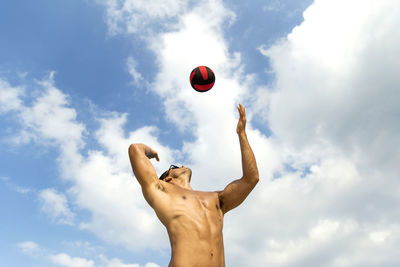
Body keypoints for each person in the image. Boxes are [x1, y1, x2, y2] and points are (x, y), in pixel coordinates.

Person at [128, 104, 259, 267]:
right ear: (167, 179)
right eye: (174, 167)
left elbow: (251, 179)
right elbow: (135, 149)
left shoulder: (216, 198)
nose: (180, 165)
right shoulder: (163, 192)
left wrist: (242, 134)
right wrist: (151, 152)